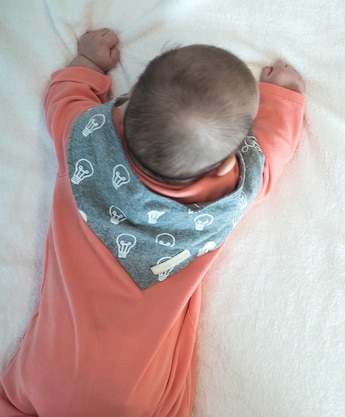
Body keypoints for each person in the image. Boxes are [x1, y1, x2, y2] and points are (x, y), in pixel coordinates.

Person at [0, 28, 305, 416]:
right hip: (134, 401)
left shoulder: (85, 140)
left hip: (44, 375)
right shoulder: (227, 196)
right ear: (229, 161)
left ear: (130, 102)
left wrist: (89, 63)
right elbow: (274, 148)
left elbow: (63, 97)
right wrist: (284, 97)